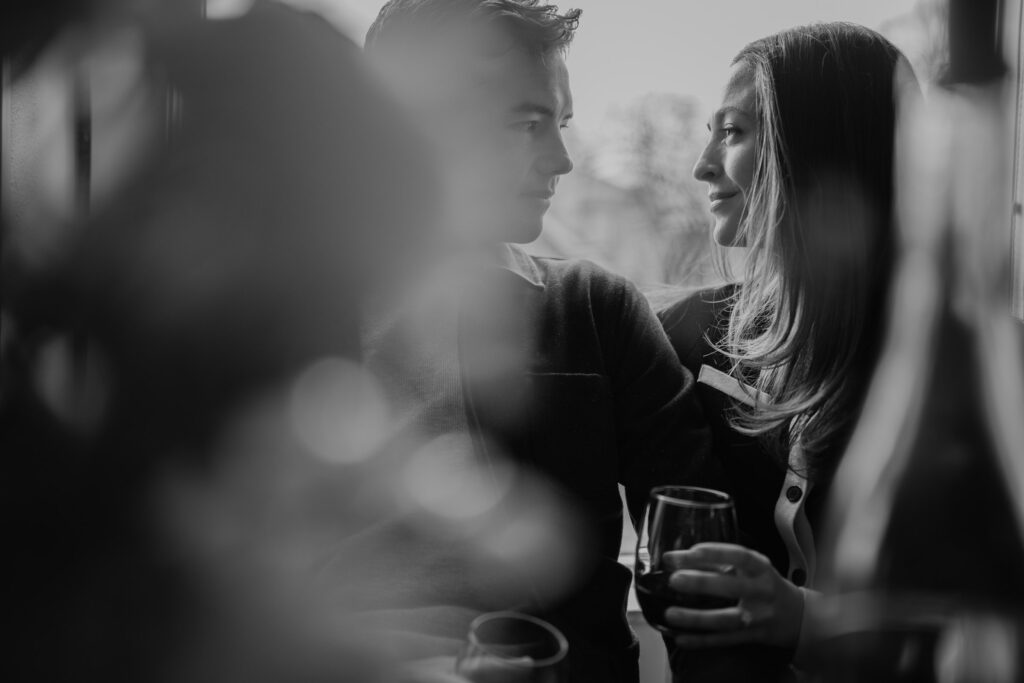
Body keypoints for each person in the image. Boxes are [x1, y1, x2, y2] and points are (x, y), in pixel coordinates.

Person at [351, 2, 712, 682]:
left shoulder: (598, 311)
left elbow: (700, 573)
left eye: (563, 121)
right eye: (527, 122)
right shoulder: (290, 325)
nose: (563, 158)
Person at [657, 22, 911, 682]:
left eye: (734, 132)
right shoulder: (689, 336)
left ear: (816, 153)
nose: (702, 165)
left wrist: (799, 617)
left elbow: (986, 625)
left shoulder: (952, 371)